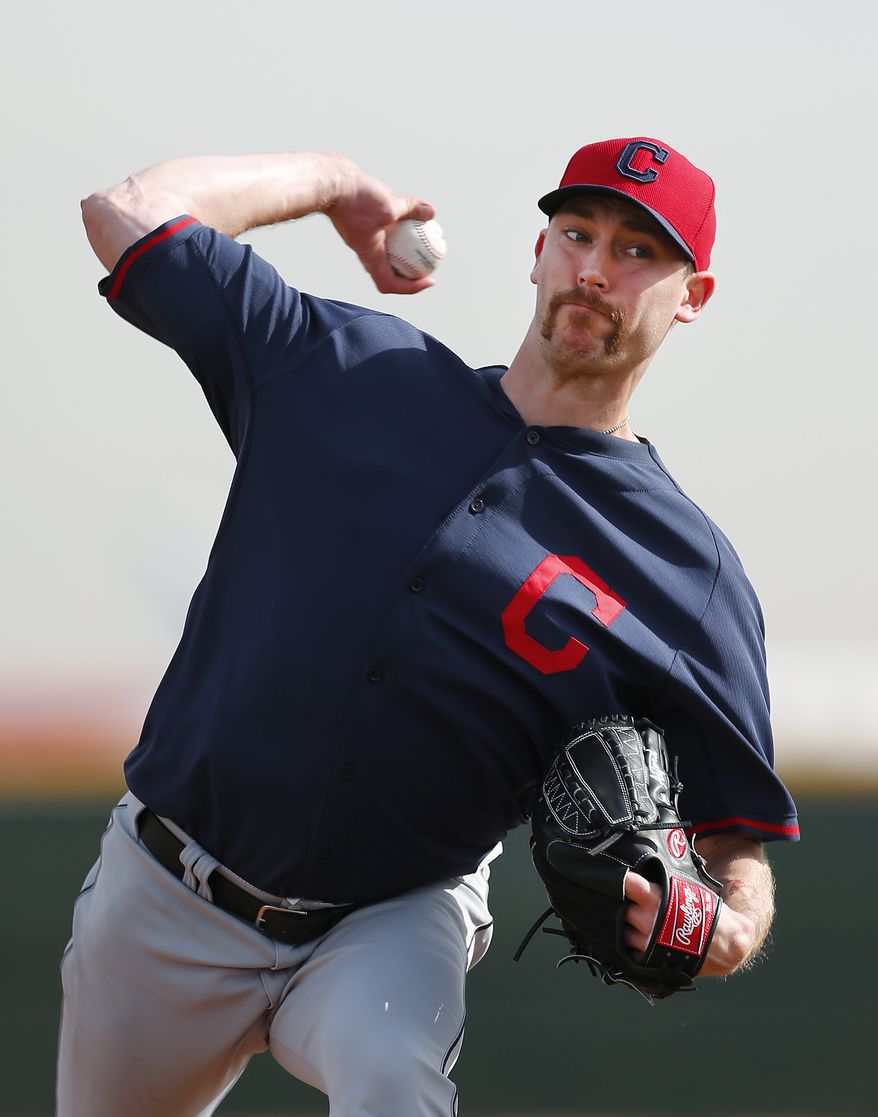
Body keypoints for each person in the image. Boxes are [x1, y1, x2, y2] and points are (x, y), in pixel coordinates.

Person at [60, 136, 799, 1116]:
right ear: (536, 253)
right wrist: (332, 184)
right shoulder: (349, 374)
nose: (592, 267)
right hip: (165, 895)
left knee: (391, 1079)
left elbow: (735, 837)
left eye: (635, 251)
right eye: (575, 233)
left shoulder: (685, 571)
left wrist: (725, 927)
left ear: (690, 295)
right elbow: (125, 214)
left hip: (394, 915)